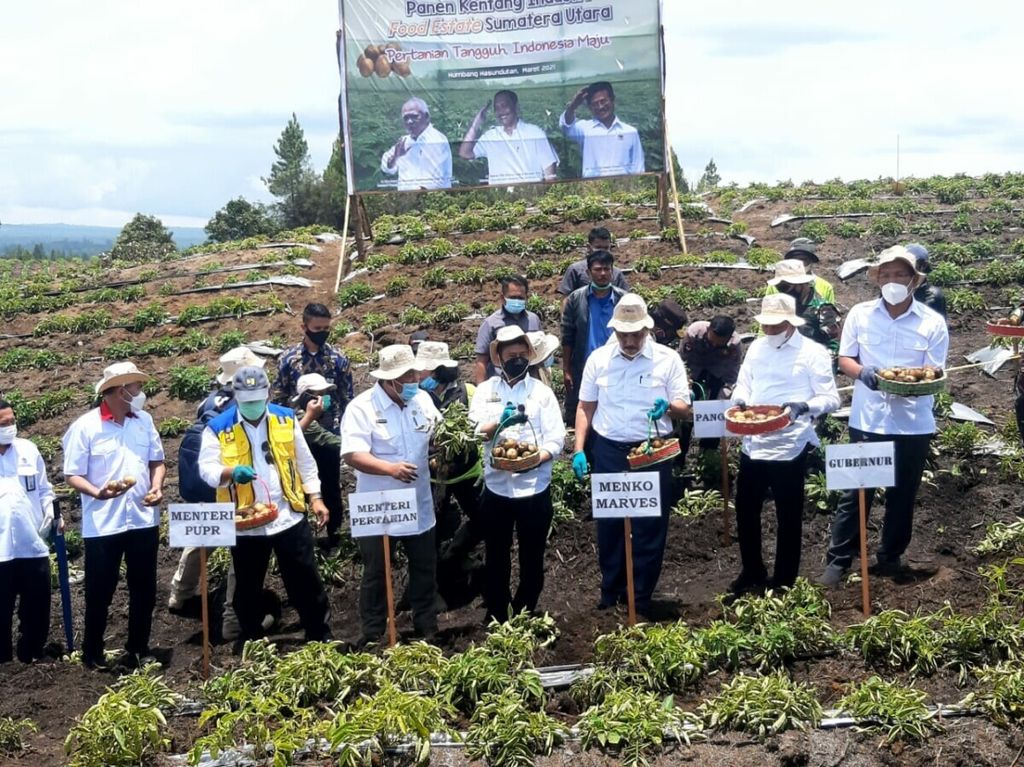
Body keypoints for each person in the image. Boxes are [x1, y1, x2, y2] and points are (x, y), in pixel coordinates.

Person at [820, 246, 949, 586]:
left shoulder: (932, 322)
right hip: (868, 418)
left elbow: (934, 372)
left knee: (902, 493)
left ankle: (890, 556)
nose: (892, 281)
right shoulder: (860, 315)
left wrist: (910, 381)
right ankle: (839, 560)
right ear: (877, 279)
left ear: (913, 280)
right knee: (856, 491)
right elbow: (845, 358)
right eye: (886, 275)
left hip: (913, 422)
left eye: (900, 275)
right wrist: (863, 373)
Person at [571, 294, 691, 617]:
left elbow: (685, 407)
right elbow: (586, 406)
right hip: (609, 450)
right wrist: (579, 449)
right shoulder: (598, 359)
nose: (629, 341)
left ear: (647, 329)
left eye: (635, 334)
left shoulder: (667, 360)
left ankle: (640, 593)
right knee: (610, 522)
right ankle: (611, 591)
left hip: (652, 451)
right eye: (623, 334)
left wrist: (669, 407)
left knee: (650, 524)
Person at [198, 366, 332, 649]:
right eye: (247, 403)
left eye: (258, 401)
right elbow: (207, 470)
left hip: (287, 514)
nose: (253, 407)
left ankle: (318, 633)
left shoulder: (285, 419)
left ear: (268, 394)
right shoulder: (218, 428)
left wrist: (315, 497)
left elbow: (304, 462)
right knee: (246, 587)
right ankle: (253, 640)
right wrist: (230, 472)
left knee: (304, 578)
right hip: (246, 520)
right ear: (236, 397)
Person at [728, 294, 840, 596]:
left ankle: (784, 579)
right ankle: (752, 570)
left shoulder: (812, 352)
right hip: (755, 439)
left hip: (791, 443)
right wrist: (738, 400)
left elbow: (831, 398)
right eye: (765, 324)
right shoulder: (757, 349)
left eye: (775, 324)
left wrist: (803, 406)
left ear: (790, 323)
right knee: (745, 509)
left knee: (788, 514)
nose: (768, 329)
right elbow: (745, 383)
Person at [62, 362, 166, 670]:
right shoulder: (85, 427)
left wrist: (157, 487)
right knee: (99, 590)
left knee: (144, 587)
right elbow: (72, 474)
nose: (140, 393)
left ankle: (138, 648)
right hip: (104, 523)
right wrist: (96, 492)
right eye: (135, 388)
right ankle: (91, 652)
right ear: (121, 392)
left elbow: (157, 462)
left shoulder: (144, 421)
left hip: (143, 518)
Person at [341, 345, 442, 645]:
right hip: (380, 504)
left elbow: (436, 435)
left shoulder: (422, 400)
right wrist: (390, 469)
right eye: (407, 375)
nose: (414, 380)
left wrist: (440, 449)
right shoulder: (362, 408)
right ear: (389, 379)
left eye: (414, 373)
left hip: (419, 500)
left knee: (424, 565)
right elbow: (352, 454)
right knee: (376, 570)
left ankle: (426, 624)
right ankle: (372, 631)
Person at [470, 327, 565, 622]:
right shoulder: (486, 392)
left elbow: (556, 439)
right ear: (498, 357)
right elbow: (474, 430)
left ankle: (525, 608)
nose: (517, 360)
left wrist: (538, 458)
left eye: (522, 355)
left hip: (534, 487)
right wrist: (499, 421)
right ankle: (498, 609)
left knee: (532, 554)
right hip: (497, 487)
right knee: (496, 553)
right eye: (511, 356)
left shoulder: (541, 393)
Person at [169, 346, 265, 631]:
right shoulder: (244, 404)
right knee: (241, 545)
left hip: (202, 481)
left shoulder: (210, 400)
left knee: (203, 535)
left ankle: (180, 592)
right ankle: (232, 614)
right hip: (232, 481)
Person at [276, 302, 353, 543]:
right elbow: (278, 398)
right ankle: (302, 537)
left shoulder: (338, 358)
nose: (322, 332)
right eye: (317, 328)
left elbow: (347, 397)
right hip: (298, 433)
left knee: (330, 484)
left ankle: (334, 535)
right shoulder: (288, 360)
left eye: (326, 328)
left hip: (330, 433)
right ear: (304, 327)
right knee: (298, 485)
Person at [0, 399, 56, 663]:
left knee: (37, 604)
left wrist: (51, 512)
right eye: (3, 424)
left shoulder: (28, 450)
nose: (10, 427)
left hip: (32, 542)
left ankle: (31, 654)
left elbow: (45, 489)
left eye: (11, 421)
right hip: (1, 550)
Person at [561, 250, 627, 423]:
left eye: (607, 269)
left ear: (613, 272)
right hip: (585, 365)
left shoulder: (624, 299)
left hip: (617, 365)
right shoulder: (576, 298)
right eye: (598, 269)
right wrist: (566, 368)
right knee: (584, 408)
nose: (603, 274)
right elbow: (567, 334)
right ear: (588, 272)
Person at [459, 90, 558, 185]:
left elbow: (550, 173)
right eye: (497, 108)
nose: (501, 111)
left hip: (530, 198)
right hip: (499, 199)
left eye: (504, 106)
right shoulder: (490, 136)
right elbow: (465, 153)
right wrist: (475, 125)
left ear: (515, 107)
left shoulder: (535, 133)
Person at [678, 315, 743, 458]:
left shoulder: (734, 345)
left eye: (719, 344)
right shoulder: (693, 333)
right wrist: (685, 384)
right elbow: (681, 361)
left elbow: (732, 375)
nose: (714, 345)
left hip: (717, 376)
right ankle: (679, 457)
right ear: (708, 329)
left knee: (714, 416)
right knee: (685, 416)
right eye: (711, 341)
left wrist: (723, 397)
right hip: (693, 374)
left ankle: (707, 455)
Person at [559, 81, 645, 178]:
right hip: (592, 190)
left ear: (613, 100)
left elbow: (638, 168)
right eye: (595, 104)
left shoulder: (630, 132)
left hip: (624, 189)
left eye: (603, 101)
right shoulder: (585, 129)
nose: (600, 107)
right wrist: (573, 105)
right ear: (590, 107)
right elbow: (565, 126)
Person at [473, 276, 542, 383]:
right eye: (513, 297)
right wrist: (481, 390)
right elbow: (482, 361)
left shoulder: (533, 319)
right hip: (501, 382)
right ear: (502, 297)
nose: (517, 301)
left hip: (530, 382)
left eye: (520, 298)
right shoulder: (491, 323)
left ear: (526, 298)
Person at [766, 259, 842, 357]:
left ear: (800, 284)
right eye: (779, 287)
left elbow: (833, 347)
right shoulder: (783, 306)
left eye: (785, 287)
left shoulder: (823, 309)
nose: (782, 292)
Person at [379, 97, 452, 191]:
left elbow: (433, 183)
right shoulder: (404, 141)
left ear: (426, 117)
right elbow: (386, 168)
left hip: (432, 200)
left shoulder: (436, 139)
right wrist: (395, 157)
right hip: (406, 200)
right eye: (406, 118)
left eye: (414, 116)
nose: (409, 121)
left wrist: (409, 199)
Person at [556, 227, 629, 307]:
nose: (602, 251)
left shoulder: (616, 273)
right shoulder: (575, 270)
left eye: (606, 248)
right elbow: (566, 299)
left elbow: (625, 299)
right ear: (588, 247)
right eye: (598, 247)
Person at [764, 238, 836, 303]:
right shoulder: (775, 286)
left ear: (811, 261)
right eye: (795, 260)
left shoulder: (825, 287)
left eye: (804, 260)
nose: (799, 264)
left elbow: (830, 315)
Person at [905, 243, 947, 318]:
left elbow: (940, 326)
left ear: (923, 266)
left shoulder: (933, 296)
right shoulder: (893, 289)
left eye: (912, 264)